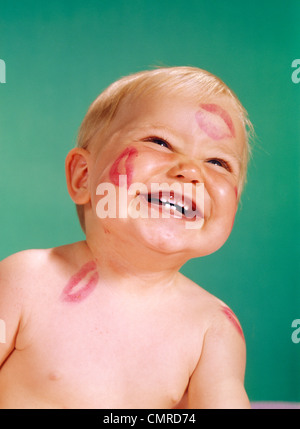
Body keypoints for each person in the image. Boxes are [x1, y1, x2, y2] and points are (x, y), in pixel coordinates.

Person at [0, 66, 253, 409]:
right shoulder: (25, 280)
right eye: (160, 142)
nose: (191, 171)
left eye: (218, 162)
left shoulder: (214, 329)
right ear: (83, 177)